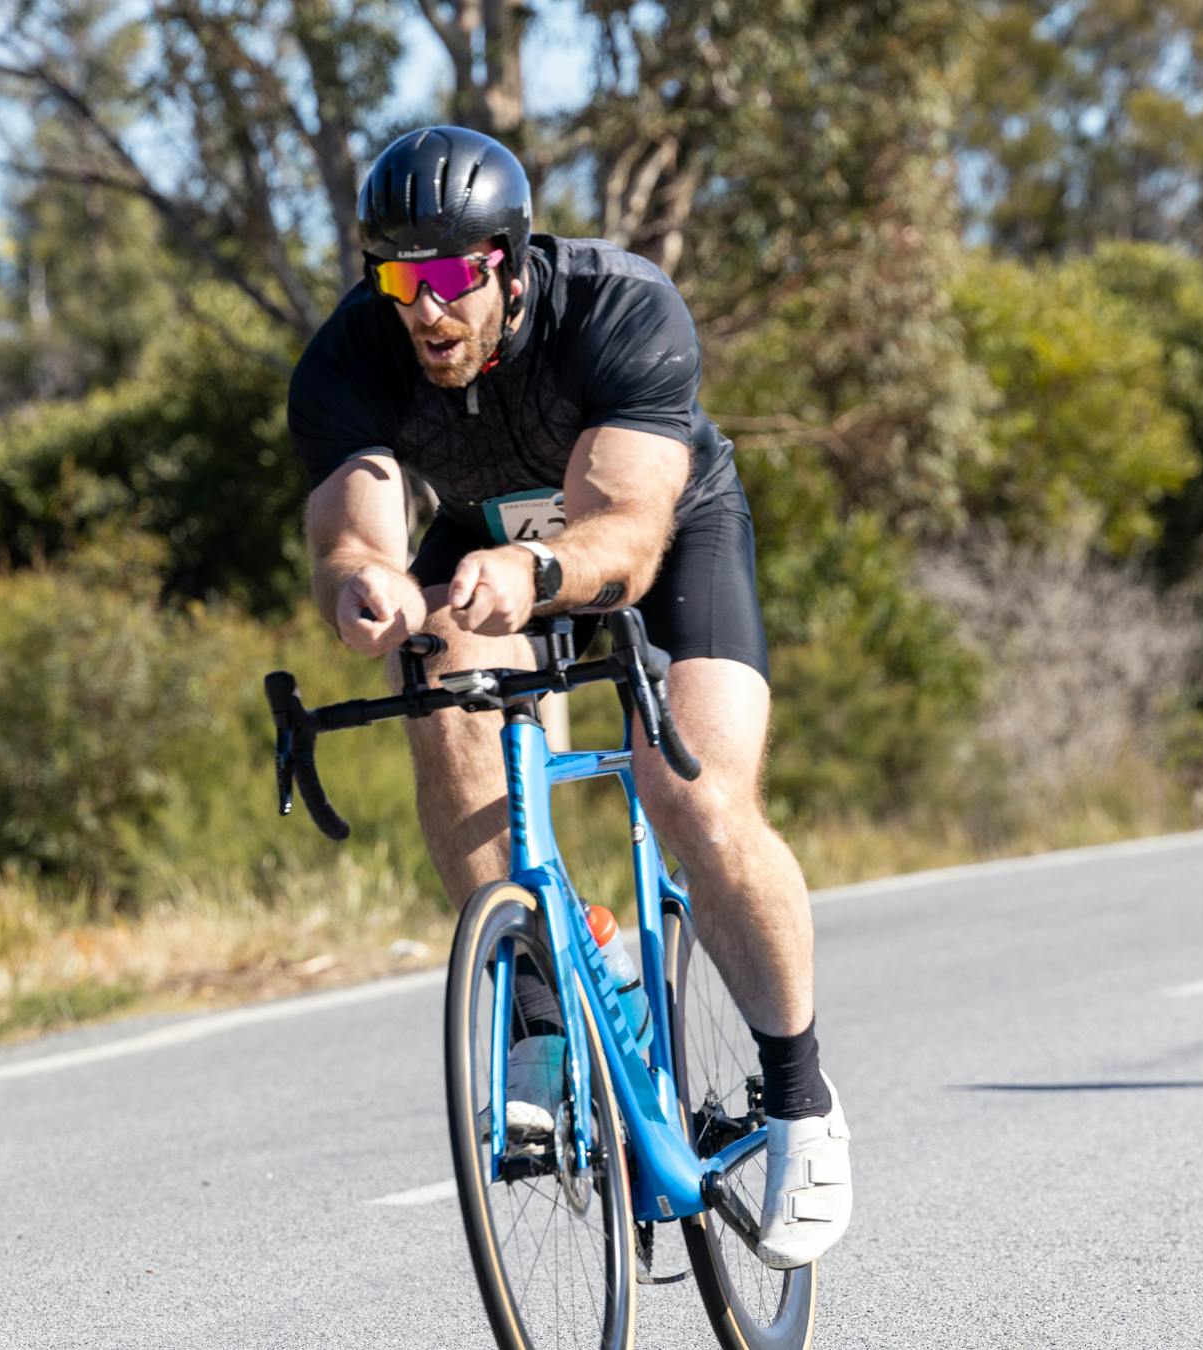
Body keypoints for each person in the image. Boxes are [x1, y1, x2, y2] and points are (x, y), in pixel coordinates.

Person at [287, 124, 851, 1269]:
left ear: (507, 257)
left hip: (661, 537)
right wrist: (366, 584)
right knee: (441, 684)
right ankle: (548, 989)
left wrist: (541, 577)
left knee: (692, 790)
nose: (425, 309)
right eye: (399, 278)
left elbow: (629, 530)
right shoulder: (351, 356)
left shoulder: (618, 307)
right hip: (489, 540)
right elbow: (357, 511)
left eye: (449, 277)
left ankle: (800, 1100)